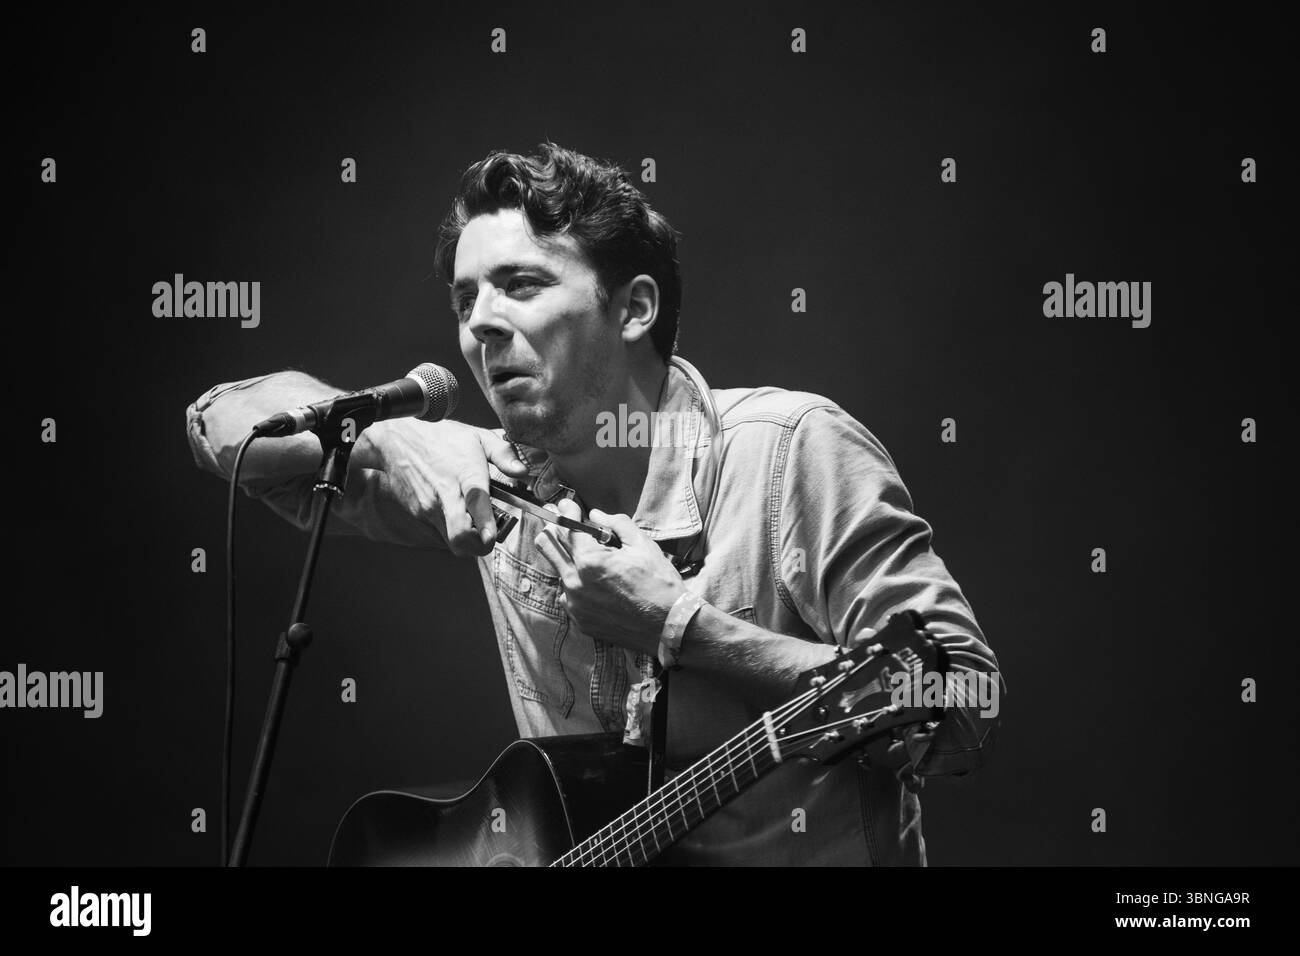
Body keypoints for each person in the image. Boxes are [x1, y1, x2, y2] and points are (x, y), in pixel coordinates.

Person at [186, 142, 1003, 865]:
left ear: (634, 308)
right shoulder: (484, 481)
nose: (482, 324)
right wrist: (401, 440)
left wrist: (681, 629)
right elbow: (227, 431)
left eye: (520, 285)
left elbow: (962, 704)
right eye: (465, 299)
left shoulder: (791, 450)